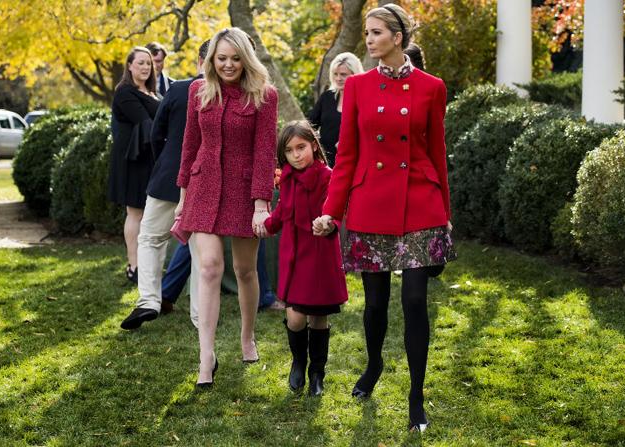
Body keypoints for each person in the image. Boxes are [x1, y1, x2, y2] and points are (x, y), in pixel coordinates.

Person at [313, 3, 455, 432]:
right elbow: (348, 155)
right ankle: (374, 366)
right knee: (374, 302)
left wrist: (445, 214)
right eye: (368, 32)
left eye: (376, 33)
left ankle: (416, 397)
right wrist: (330, 212)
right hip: (370, 201)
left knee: (414, 299)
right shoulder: (355, 86)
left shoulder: (432, 87)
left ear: (397, 37)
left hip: (420, 200)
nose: (369, 39)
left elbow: (436, 153)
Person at [175, 27, 278, 388]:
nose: (229, 65)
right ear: (211, 60)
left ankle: (247, 336)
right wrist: (183, 197)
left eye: (235, 58)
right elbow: (189, 145)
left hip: (243, 191)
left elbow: (266, 152)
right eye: (222, 59)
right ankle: (206, 356)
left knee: (245, 270)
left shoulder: (264, 95)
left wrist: (261, 204)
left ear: (246, 59)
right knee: (208, 267)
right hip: (204, 187)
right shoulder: (197, 91)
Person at [119, 40, 211, 331]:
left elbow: (156, 133)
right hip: (206, 180)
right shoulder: (229, 95)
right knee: (200, 250)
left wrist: (165, 163)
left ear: (199, 61)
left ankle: (148, 300)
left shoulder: (180, 88)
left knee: (150, 238)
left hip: (168, 174)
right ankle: (199, 314)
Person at [258, 120, 348, 396]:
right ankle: (298, 361)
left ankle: (317, 373)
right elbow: (284, 209)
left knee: (318, 318)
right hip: (293, 257)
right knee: (296, 318)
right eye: (290, 150)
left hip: (319, 256)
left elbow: (337, 207)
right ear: (283, 155)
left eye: (301, 148)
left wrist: (329, 222)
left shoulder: (327, 176)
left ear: (313, 146)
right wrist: (267, 224)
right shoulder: (285, 178)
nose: (296, 155)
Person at [107, 46, 160, 284]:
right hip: (132, 158)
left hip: (148, 158)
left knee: (148, 213)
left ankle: (146, 264)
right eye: (140, 63)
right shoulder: (125, 92)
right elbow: (146, 122)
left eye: (148, 63)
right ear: (129, 66)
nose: (145, 67)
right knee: (135, 212)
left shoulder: (151, 93)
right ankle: (134, 266)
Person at [307, 53, 363, 167]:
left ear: (355, 74)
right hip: (325, 162)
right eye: (335, 74)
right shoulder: (327, 97)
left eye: (343, 74)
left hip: (354, 162)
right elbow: (310, 125)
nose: (338, 78)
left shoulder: (364, 99)